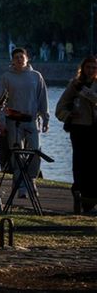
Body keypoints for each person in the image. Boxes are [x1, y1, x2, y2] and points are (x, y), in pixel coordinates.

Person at [0, 47, 49, 192]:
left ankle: (31, 179)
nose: (19, 60)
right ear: (12, 61)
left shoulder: (36, 76)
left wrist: (45, 118)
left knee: (35, 151)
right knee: (16, 152)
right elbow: (0, 101)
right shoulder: (7, 77)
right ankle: (18, 182)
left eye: (21, 57)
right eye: (16, 57)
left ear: (27, 58)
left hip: (31, 120)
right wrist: (2, 120)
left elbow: (42, 98)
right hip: (13, 121)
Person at [54, 55, 97, 214]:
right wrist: (69, 115)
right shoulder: (75, 85)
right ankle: (80, 196)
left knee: (94, 164)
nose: (91, 70)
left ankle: (92, 197)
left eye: (94, 68)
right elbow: (60, 107)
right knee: (80, 164)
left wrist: (86, 93)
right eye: (88, 67)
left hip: (95, 129)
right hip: (80, 129)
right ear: (83, 68)